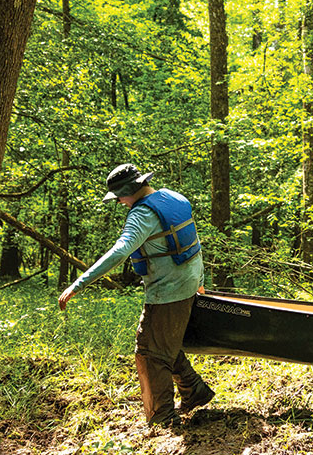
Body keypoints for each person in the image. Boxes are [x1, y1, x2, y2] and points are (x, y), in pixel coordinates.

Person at [59, 163, 215, 427]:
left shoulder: (141, 215)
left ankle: (162, 418)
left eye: (120, 196)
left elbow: (120, 252)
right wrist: (200, 281)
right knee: (163, 343)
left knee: (149, 352)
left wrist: (79, 283)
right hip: (187, 284)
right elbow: (195, 244)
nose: (119, 202)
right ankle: (194, 391)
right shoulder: (174, 197)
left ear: (131, 190)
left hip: (168, 291)